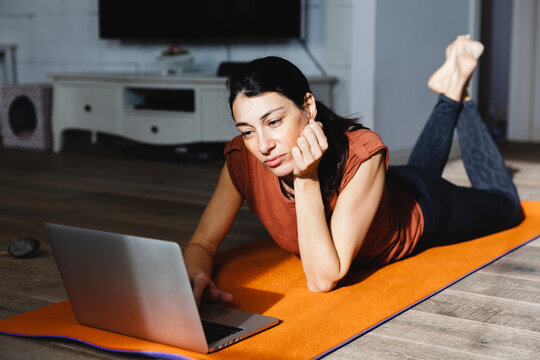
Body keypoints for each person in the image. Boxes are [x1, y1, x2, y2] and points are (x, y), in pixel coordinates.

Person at [183, 35, 524, 305]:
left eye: (273, 121)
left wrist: (305, 177)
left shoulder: (363, 153)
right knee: (414, 173)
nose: (263, 144)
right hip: (380, 194)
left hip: (423, 207)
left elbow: (322, 278)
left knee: (507, 206)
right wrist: (196, 276)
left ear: (308, 106)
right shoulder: (243, 158)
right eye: (247, 130)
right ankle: (449, 89)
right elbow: (203, 242)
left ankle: (460, 91)